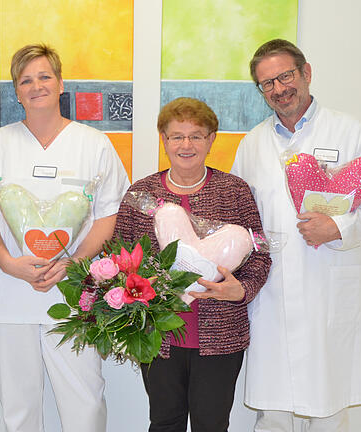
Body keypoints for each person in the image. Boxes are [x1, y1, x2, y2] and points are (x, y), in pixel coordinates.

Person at [232, 39, 361, 431]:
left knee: (328, 410)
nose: (278, 88)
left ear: (306, 73)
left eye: (285, 76)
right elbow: (243, 220)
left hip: (326, 287)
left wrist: (338, 227)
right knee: (273, 413)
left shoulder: (350, 131)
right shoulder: (252, 144)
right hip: (271, 296)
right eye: (267, 83)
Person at [0, 43, 130, 432]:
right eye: (25, 80)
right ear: (16, 90)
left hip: (72, 293)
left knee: (85, 404)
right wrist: (9, 263)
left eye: (44, 76)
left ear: (60, 84)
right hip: (8, 292)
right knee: (18, 410)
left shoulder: (94, 144)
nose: (35, 86)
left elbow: (108, 215)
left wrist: (74, 263)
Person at [114, 97, 271, 431]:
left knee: (212, 423)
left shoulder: (235, 191)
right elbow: (118, 257)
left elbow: (260, 253)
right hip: (158, 336)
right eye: (177, 136)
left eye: (196, 135)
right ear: (164, 140)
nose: (186, 145)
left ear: (211, 139)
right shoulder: (141, 194)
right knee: (164, 422)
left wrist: (241, 289)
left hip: (221, 336)